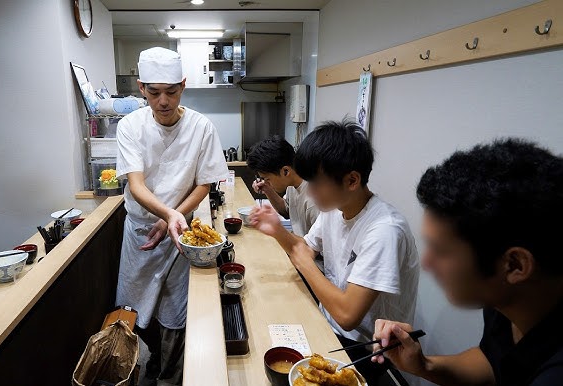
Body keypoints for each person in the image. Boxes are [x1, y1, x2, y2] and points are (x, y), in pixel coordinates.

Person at [372, 139, 563, 386]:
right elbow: (492, 362)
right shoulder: (508, 295)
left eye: (440, 251)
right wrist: (423, 365)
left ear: (515, 265)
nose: (426, 263)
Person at [249, 120, 419, 382]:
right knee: (260, 330)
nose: (310, 191)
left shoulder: (384, 230)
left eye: (316, 183)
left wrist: (303, 260)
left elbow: (348, 315)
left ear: (352, 180)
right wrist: (277, 230)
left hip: (364, 352)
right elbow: (303, 247)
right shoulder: (335, 209)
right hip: (328, 327)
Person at [115, 47, 228, 386]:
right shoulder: (130, 126)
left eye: (171, 91)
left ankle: (170, 376)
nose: (162, 101)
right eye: (154, 92)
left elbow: (204, 182)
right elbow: (136, 185)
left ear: (183, 85)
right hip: (140, 233)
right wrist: (166, 213)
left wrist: (173, 217)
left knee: (175, 310)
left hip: (180, 234)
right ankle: (153, 363)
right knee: (134, 307)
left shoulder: (201, 127)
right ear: (141, 88)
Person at [246, 135, 319, 238]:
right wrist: (267, 189)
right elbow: (286, 211)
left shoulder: (314, 198)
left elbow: (315, 248)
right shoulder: (291, 184)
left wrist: (276, 230)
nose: (266, 182)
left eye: (267, 179)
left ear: (285, 171)